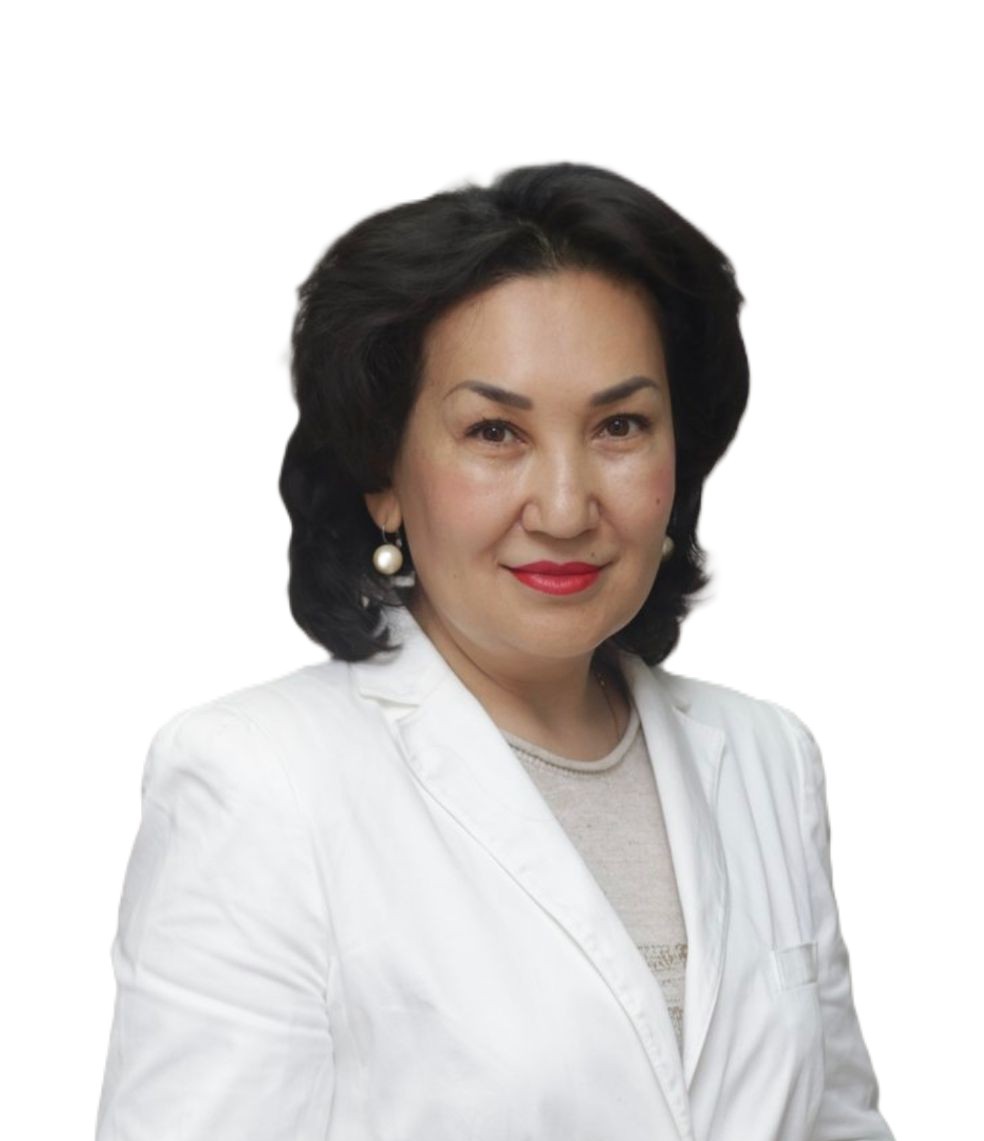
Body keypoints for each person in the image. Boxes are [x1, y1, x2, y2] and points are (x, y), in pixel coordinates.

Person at [95, 162, 896, 1141]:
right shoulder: (257, 783)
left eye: (619, 425)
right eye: (494, 431)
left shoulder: (771, 759)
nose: (563, 507)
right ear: (385, 477)